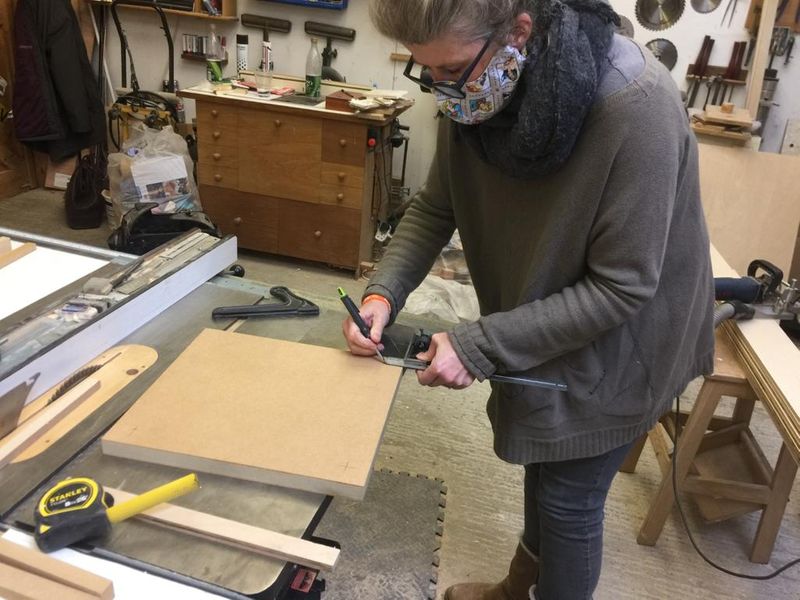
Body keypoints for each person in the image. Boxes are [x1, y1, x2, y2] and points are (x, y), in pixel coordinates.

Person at [342, 1, 715, 598]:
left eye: (451, 69)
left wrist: (479, 344)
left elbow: (622, 285)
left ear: (519, 31)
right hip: (545, 306)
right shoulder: (473, 88)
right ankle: (520, 587)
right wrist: (383, 293)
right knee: (544, 456)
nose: (440, 89)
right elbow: (439, 205)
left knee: (568, 498)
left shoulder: (633, 103)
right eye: (426, 71)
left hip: (626, 338)